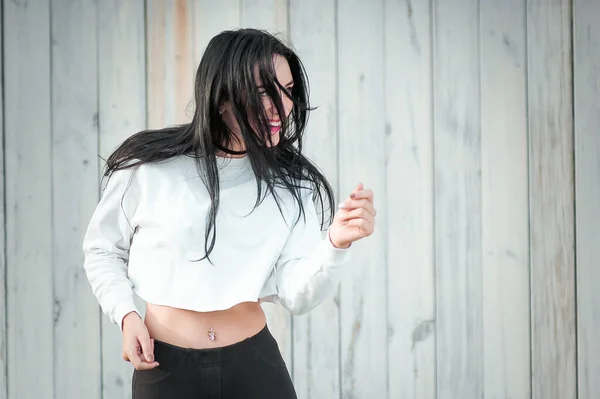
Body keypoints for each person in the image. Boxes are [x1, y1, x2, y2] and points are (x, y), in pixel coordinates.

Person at [82, 28, 376, 399]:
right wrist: (126, 315)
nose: (280, 106)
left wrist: (335, 244)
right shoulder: (149, 169)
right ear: (222, 95)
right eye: (265, 92)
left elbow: (297, 295)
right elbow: (102, 250)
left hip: (255, 367)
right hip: (166, 368)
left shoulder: (292, 184)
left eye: (287, 91)